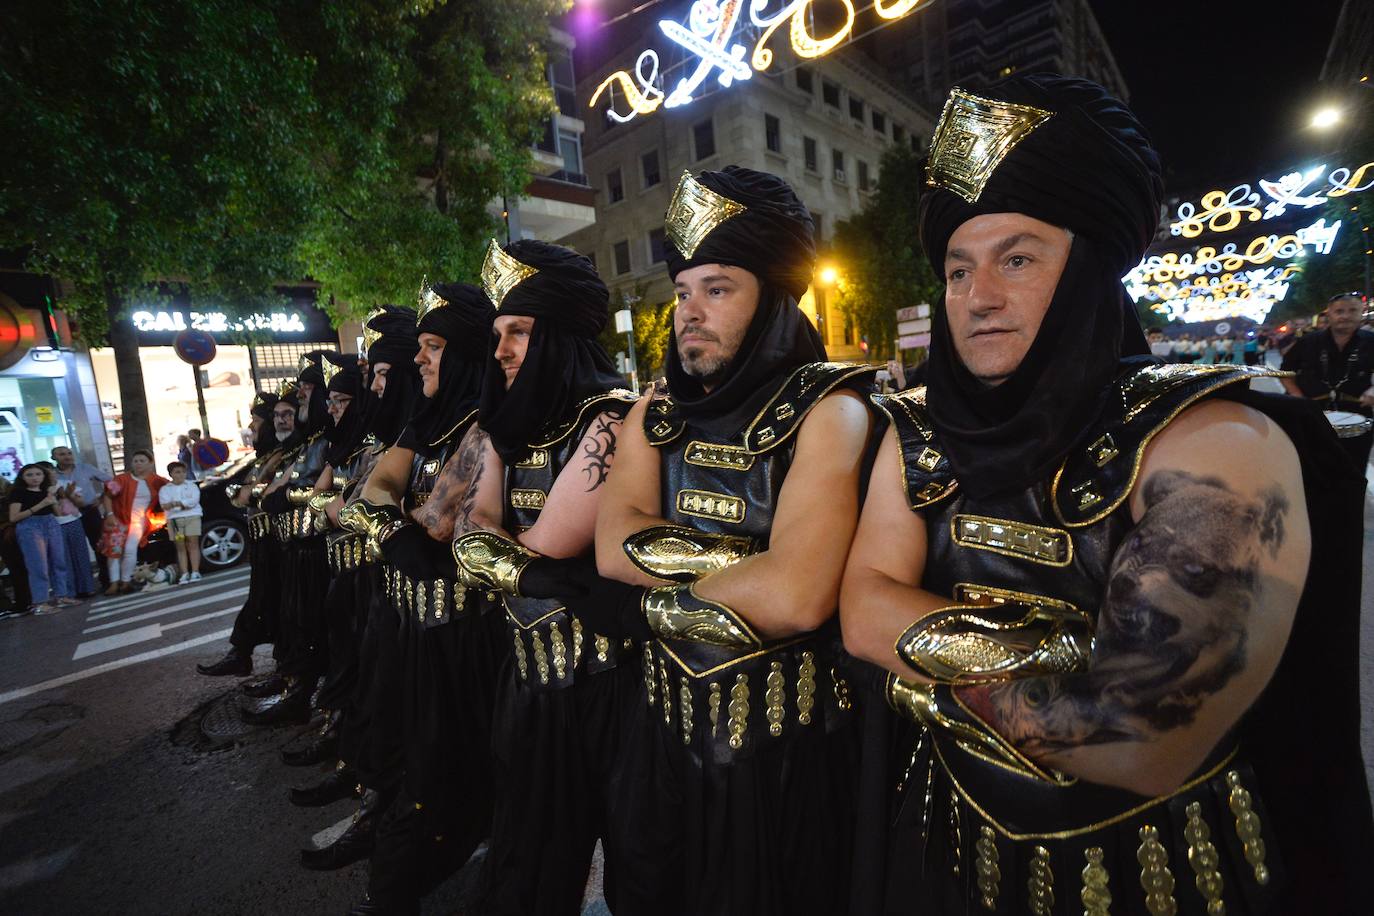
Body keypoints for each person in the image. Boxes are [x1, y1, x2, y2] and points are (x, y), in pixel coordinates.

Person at [840, 74, 1372, 914]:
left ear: (1090, 267)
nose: (978, 298)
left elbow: (1136, 738)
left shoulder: (1218, 441)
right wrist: (1065, 654)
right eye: (957, 270)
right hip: (945, 846)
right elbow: (861, 609)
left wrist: (920, 680)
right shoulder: (916, 428)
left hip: (1157, 872)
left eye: (1018, 259)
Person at [567, 166, 877, 915]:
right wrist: (758, 565)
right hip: (658, 735)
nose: (690, 313)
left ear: (773, 297)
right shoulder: (654, 413)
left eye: (718, 289)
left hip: (782, 754)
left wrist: (652, 597)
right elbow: (611, 545)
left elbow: (797, 597)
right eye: (682, 292)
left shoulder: (830, 409)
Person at [451, 238, 636, 915]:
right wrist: (513, 557)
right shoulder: (513, 426)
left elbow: (547, 543)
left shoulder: (609, 418)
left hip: (607, 689)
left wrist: (501, 551)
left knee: (636, 873)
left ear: (559, 334)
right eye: (498, 333)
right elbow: (468, 537)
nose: (500, 350)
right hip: (528, 675)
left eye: (519, 332)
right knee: (525, 864)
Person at [343, 285, 502, 912]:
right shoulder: (428, 420)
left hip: (462, 635)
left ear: (462, 354)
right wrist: (395, 525)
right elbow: (372, 489)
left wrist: (393, 520)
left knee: (450, 769)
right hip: (408, 619)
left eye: (433, 347)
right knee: (397, 746)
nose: (419, 360)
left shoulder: (488, 421)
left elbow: (437, 524)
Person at [197, 391, 298, 677]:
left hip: (279, 540)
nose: (253, 427)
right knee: (265, 600)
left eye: (257, 420)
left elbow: (254, 494)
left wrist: (250, 492)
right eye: (273, 416)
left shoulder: (286, 453)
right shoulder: (267, 455)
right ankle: (249, 657)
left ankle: (261, 661)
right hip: (263, 540)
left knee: (274, 601)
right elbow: (245, 495)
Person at [1280, 291, 1374, 471]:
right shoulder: (1308, 341)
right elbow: (1284, 372)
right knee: (1311, 471)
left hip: (1357, 415)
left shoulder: (1371, 341)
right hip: (1311, 415)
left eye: (1352, 310)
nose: (1345, 316)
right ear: (1329, 314)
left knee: (1353, 472)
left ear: (1361, 313)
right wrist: (1298, 397)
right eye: (1339, 311)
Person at [7, 463, 79, 613]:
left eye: (38, 474)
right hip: (30, 526)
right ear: (22, 477)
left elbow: (58, 513)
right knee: (38, 566)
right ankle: (40, 602)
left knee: (58, 561)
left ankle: (61, 595)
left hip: (51, 523)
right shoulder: (18, 492)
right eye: (29, 475)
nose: (35, 478)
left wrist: (55, 498)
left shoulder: (47, 491)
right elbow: (13, 517)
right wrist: (41, 504)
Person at [99, 448, 168, 595]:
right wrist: (110, 514)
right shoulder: (121, 479)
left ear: (150, 463)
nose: (138, 464)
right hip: (118, 521)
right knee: (114, 552)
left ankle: (126, 581)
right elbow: (107, 496)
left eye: (142, 461)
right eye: (136, 461)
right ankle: (114, 583)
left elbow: (171, 487)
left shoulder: (157, 480)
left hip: (139, 522)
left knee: (130, 550)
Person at [51, 446, 112, 589]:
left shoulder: (85, 468)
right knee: (75, 550)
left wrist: (102, 498)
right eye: (62, 454)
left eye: (69, 453)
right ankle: (82, 585)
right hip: (67, 515)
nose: (67, 456)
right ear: (54, 457)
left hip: (89, 511)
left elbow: (111, 482)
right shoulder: (52, 474)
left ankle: (107, 580)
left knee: (99, 545)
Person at [159, 461, 202, 583]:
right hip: (174, 520)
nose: (181, 474)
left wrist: (177, 503)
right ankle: (184, 573)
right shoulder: (165, 489)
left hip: (192, 517)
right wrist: (182, 504)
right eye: (177, 472)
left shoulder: (191, 486)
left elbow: (193, 501)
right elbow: (165, 505)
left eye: (183, 472)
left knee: (193, 544)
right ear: (171, 474)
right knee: (180, 546)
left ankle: (195, 571)